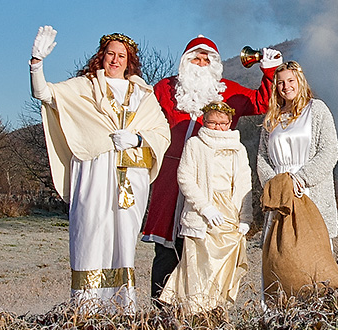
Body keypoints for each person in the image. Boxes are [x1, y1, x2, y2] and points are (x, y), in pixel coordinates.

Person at [29, 26, 171, 312]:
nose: (116, 60)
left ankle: (121, 307)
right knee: (91, 232)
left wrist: (138, 138)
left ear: (129, 61)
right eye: (111, 54)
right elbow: (44, 94)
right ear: (101, 57)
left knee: (123, 240)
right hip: (94, 169)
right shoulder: (84, 86)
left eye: (122, 56)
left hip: (130, 176)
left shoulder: (143, 94)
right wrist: (36, 63)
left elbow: (163, 133)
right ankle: (86, 308)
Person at [141, 35, 282, 302]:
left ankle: (199, 306)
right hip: (171, 178)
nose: (201, 63)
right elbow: (142, 112)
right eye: (196, 57)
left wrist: (269, 71)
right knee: (166, 248)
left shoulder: (228, 90)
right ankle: (160, 310)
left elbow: (262, 103)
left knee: (202, 244)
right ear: (185, 62)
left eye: (207, 59)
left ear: (216, 63)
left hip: (211, 178)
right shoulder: (165, 89)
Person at [256, 60, 338, 300]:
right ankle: (278, 316)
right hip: (280, 198)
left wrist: (301, 179)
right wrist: (275, 186)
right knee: (279, 260)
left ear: (300, 81)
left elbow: (329, 151)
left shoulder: (318, 110)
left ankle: (317, 317)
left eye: (290, 80)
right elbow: (262, 158)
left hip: (310, 193)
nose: (286, 86)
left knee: (315, 264)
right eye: (281, 82)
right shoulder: (271, 118)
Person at [158, 101, 252, 312]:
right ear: (204, 121)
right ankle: (194, 314)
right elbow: (185, 177)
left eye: (222, 123)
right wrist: (205, 207)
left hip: (229, 212)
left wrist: (246, 218)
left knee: (224, 268)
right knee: (198, 268)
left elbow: (245, 182)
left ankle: (217, 312)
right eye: (212, 123)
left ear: (230, 123)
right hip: (203, 214)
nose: (218, 127)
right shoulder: (195, 144)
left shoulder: (238, 148)